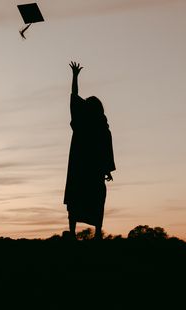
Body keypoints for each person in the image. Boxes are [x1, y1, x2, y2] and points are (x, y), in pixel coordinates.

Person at [64, 61, 116, 240]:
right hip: (86, 171)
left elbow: (74, 96)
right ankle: (86, 234)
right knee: (83, 201)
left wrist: (75, 77)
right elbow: (74, 96)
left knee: (82, 201)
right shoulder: (91, 126)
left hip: (84, 171)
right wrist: (75, 77)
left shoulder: (89, 126)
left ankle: (81, 233)